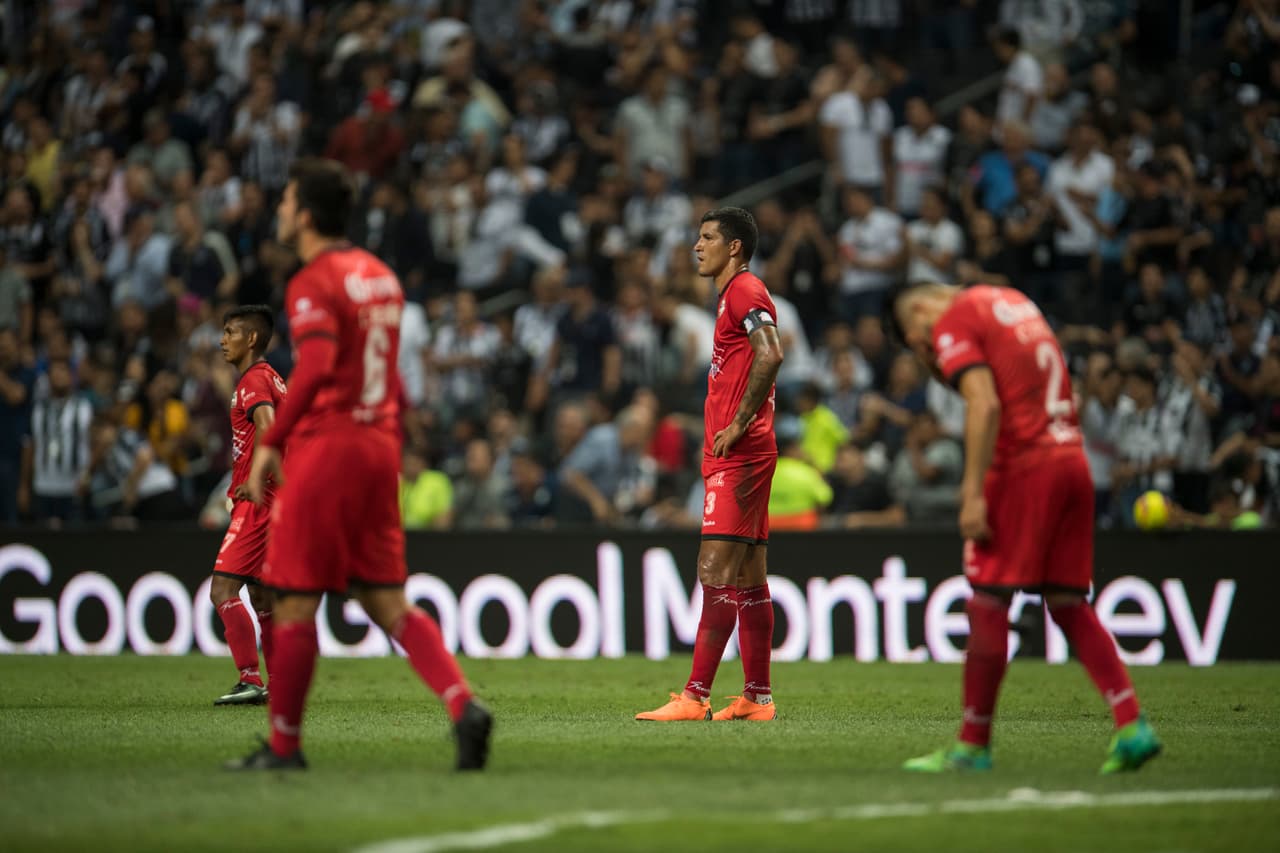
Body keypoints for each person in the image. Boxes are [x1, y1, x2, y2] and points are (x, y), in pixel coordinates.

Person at [228, 159, 491, 771]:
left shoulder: (312, 281)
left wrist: (272, 443)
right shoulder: (382, 276)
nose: (280, 211)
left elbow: (316, 369)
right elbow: (393, 379)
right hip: (381, 449)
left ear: (308, 215)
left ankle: (285, 747)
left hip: (329, 450)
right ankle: (462, 704)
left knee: (293, 602)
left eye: (288, 201)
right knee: (386, 601)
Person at [888, 280, 1161, 774]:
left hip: (1023, 467)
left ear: (923, 308)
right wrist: (936, 359)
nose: (925, 344)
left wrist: (972, 492)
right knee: (1067, 602)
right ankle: (1132, 724)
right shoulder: (1011, 301)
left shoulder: (955, 317)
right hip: (1071, 461)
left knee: (987, 600)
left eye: (916, 335)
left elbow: (985, 403)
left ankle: (972, 744)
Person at [636, 206, 784, 723]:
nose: (697, 247)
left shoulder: (743, 290)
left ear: (734, 247)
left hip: (740, 453)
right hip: (742, 452)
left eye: (706, 238)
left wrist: (740, 421)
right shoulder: (731, 298)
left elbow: (771, 353)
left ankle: (694, 696)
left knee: (714, 572)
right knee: (748, 579)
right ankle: (757, 698)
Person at [208, 305, 285, 707]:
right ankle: (281, 683)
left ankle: (250, 679)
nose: (223, 340)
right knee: (263, 598)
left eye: (230, 332)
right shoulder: (272, 376)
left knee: (222, 589)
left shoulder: (254, 380)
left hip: (259, 502)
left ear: (251, 339)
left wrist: (255, 482)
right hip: (271, 500)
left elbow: (270, 430)